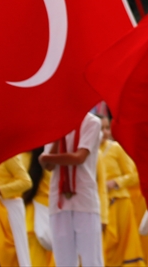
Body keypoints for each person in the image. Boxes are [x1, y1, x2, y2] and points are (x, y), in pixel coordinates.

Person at [42, 112, 104, 267]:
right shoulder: (53, 123)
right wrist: (58, 135)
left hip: (84, 199)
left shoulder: (92, 122)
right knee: (63, 261)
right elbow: (48, 167)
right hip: (59, 201)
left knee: (92, 260)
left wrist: (47, 158)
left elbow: (79, 158)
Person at [99, 117, 145, 267]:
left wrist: (116, 183)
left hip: (119, 203)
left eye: (106, 128)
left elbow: (135, 175)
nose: (104, 132)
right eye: (100, 128)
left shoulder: (115, 148)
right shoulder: (85, 152)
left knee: (120, 247)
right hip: (97, 205)